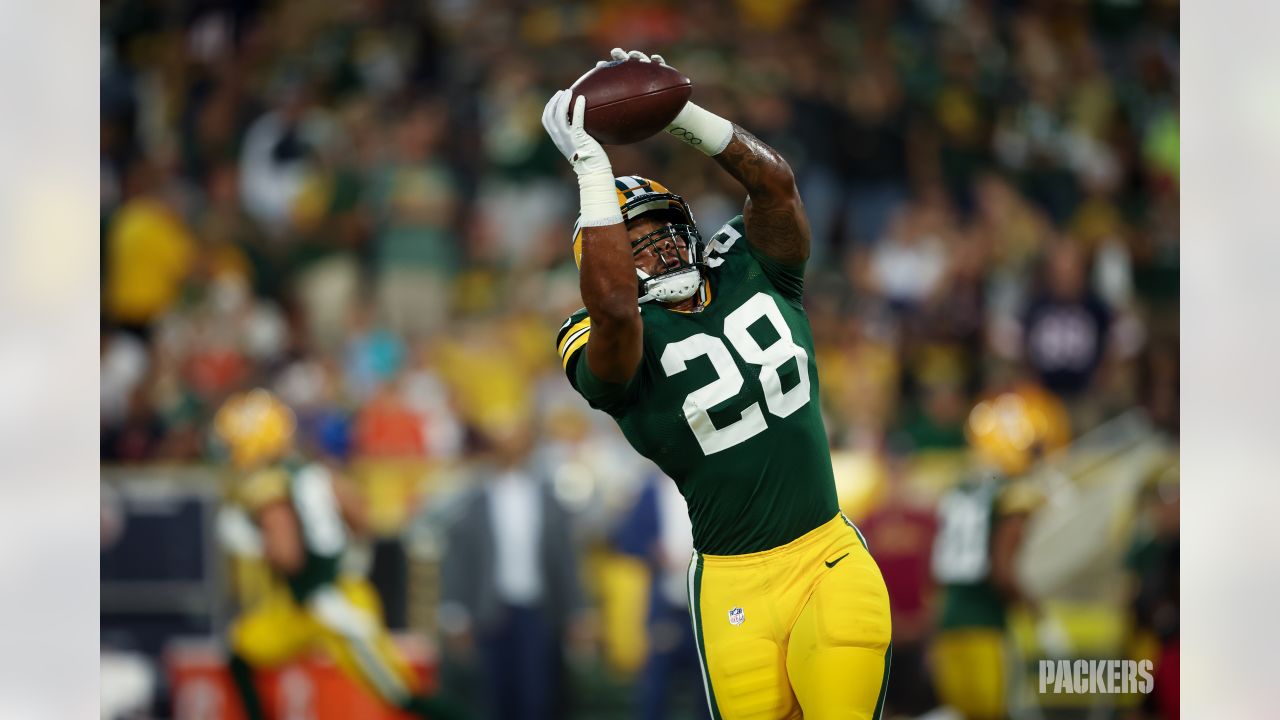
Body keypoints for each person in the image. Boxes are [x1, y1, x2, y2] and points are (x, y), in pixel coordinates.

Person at [543, 48, 892, 720]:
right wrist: (592, 168)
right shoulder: (602, 341)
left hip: (827, 557)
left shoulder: (750, 268)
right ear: (604, 258)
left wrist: (683, 116)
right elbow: (615, 307)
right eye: (637, 241)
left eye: (669, 230)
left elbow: (777, 188)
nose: (664, 247)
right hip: (732, 584)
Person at [212, 389, 464, 720]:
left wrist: (252, 541)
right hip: (317, 600)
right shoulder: (317, 471)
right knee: (242, 653)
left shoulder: (266, 487)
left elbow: (288, 555)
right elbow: (361, 518)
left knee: (399, 694)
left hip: (329, 605)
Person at [929, 385, 1068, 720]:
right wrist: (1040, 617)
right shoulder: (1011, 494)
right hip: (985, 631)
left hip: (948, 631)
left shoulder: (959, 488)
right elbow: (1003, 571)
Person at [437, 419, 590, 720]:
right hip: (491, 610)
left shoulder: (547, 499)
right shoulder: (475, 500)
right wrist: (454, 613)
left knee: (538, 696)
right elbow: (460, 559)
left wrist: (578, 612)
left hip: (538, 610)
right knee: (496, 696)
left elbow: (564, 559)